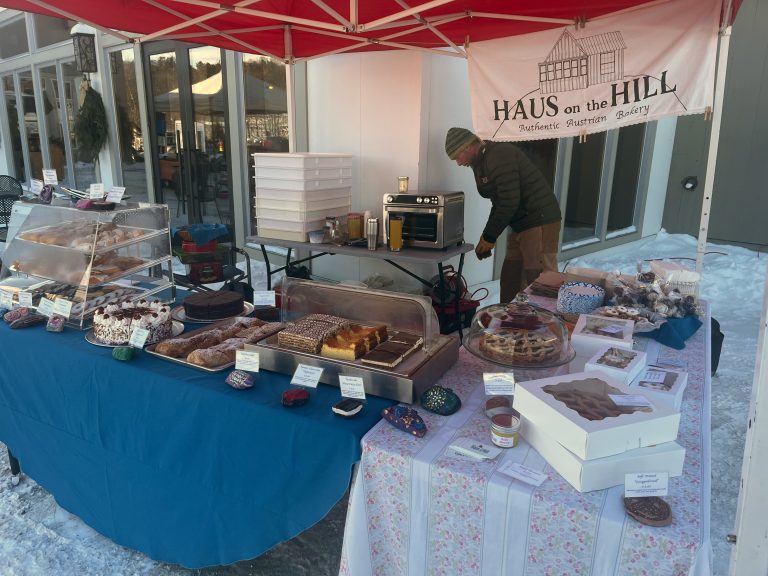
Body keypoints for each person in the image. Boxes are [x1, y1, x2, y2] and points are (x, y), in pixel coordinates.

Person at [445, 127, 562, 303]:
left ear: (467, 147)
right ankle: (509, 320)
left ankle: (546, 325)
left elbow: (509, 201)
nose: (458, 163)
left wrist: (490, 237)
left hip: (540, 219)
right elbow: (499, 203)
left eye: (457, 157)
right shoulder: (482, 163)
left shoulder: (499, 155)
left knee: (539, 280)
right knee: (511, 276)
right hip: (520, 223)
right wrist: (486, 236)